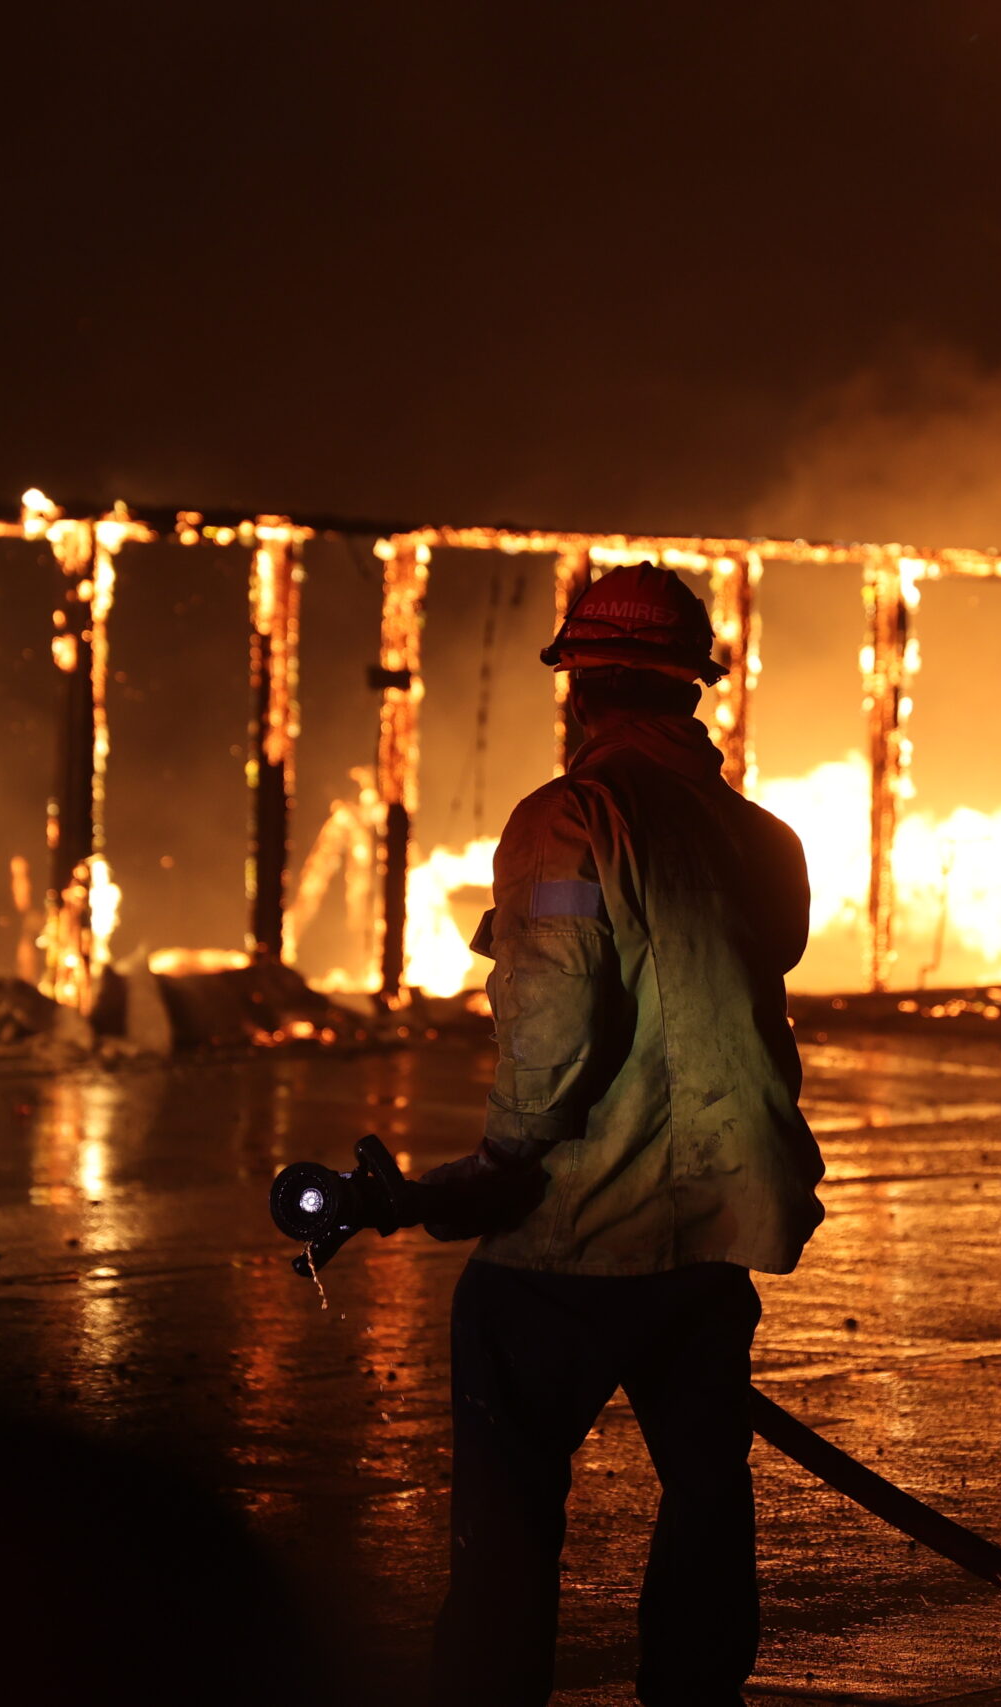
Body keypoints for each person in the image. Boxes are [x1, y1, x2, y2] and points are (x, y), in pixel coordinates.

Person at [411, 563, 824, 1707]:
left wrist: (500, 1161)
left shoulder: (567, 820)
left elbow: (551, 1017)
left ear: (578, 687)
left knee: (507, 1515)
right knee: (703, 1492)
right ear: (694, 691)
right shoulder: (762, 839)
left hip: (573, 1236)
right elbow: (755, 962)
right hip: (711, 1240)